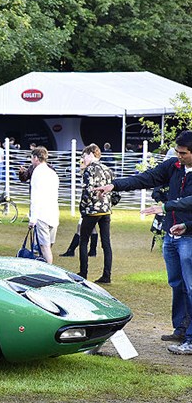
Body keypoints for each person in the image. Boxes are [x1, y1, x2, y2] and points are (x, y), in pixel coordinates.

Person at [95, 130, 192, 354]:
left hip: (189, 237)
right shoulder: (173, 167)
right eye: (177, 152)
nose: (178, 156)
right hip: (172, 236)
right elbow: (145, 178)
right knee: (177, 285)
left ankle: (190, 338)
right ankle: (181, 328)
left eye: (184, 153)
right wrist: (114, 185)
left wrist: (167, 207)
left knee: (190, 287)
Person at [77, 144, 113, 283]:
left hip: (92, 210)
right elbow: (114, 191)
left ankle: (83, 272)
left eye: (84, 156)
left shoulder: (89, 170)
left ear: (91, 154)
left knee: (84, 240)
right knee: (106, 243)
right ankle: (106, 275)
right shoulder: (107, 169)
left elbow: (87, 191)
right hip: (106, 210)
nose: (83, 159)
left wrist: (83, 208)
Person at [28, 146, 59, 264]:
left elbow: (35, 197)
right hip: (53, 213)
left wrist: (33, 219)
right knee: (48, 247)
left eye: (32, 158)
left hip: (42, 214)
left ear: (36, 158)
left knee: (44, 248)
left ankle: (49, 271)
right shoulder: (52, 173)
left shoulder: (37, 173)